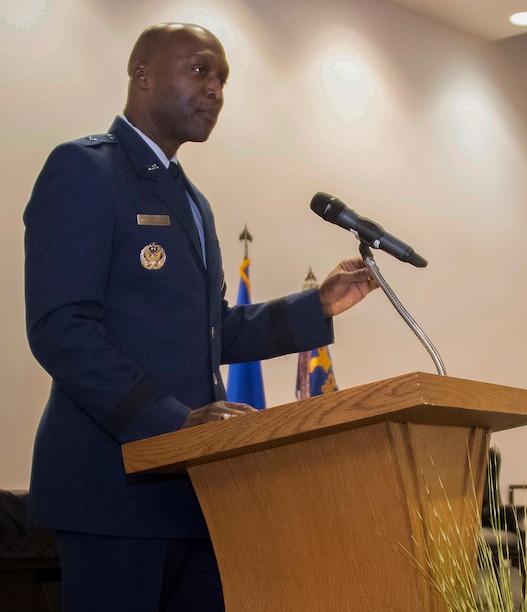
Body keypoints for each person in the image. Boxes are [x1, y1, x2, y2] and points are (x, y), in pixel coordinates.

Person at [23, 23, 380, 611]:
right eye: (199, 71)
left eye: (223, 79)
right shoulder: (86, 170)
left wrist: (315, 308)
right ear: (141, 75)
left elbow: (213, 331)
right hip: (114, 490)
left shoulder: (191, 200)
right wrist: (173, 423)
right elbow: (61, 329)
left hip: (196, 491)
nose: (215, 89)